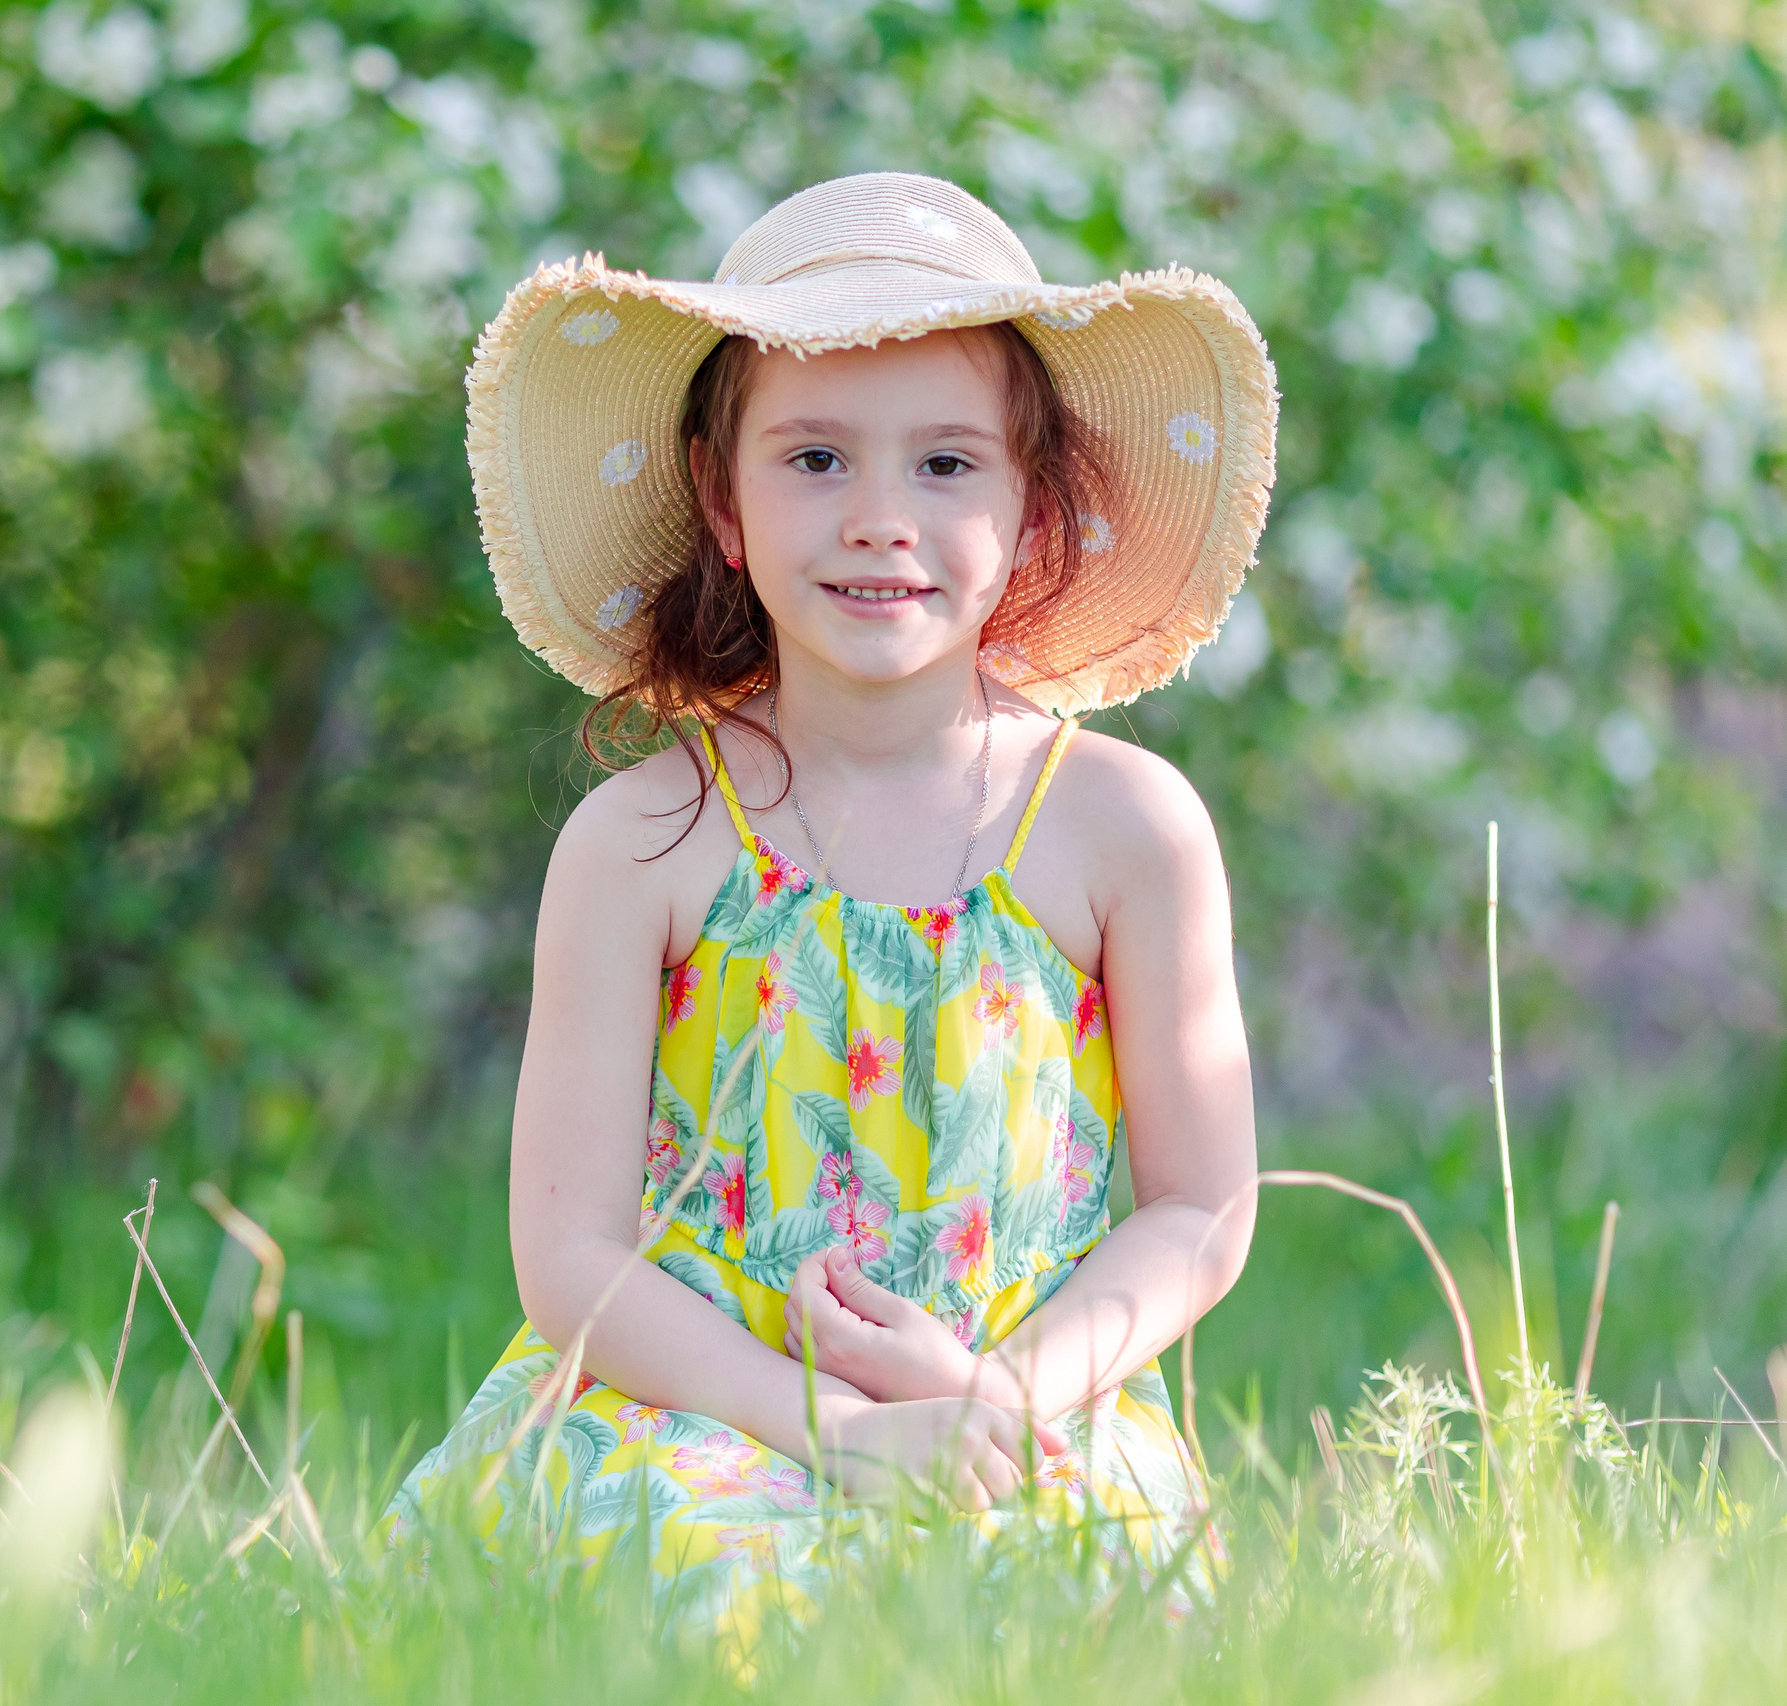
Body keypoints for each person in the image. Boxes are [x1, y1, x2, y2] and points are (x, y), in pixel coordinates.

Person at [383, 172, 1277, 1637]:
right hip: (700, 1404)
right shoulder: (646, 844)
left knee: (1062, 1608)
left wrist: (993, 1400)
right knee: (719, 1592)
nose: (879, 519)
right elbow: (572, 1258)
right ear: (721, 501)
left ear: (1031, 506)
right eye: (813, 459)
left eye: (946, 463)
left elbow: (1198, 1206)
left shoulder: (1125, 829)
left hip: (1013, 1402)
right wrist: (835, 1430)